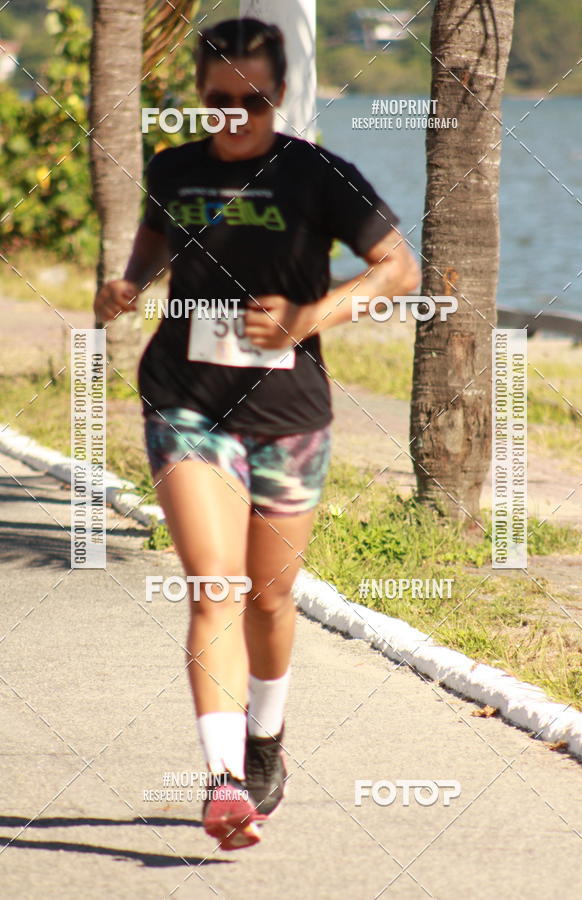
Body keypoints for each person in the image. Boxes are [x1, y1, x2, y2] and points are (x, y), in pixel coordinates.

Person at [94, 17, 420, 851]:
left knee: (273, 598)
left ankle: (266, 735)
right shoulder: (175, 167)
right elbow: (158, 235)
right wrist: (129, 283)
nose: (235, 116)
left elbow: (399, 269)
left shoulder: (317, 177)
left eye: (253, 100)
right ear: (199, 98)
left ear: (276, 96)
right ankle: (225, 782)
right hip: (184, 400)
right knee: (217, 588)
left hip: (287, 416)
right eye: (218, 101)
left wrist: (311, 314)